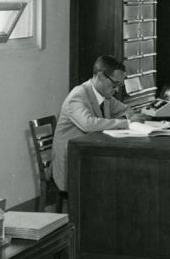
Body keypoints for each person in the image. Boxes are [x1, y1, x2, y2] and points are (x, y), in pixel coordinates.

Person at [51, 55, 144, 194]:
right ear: (100, 76)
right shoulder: (78, 96)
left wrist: (130, 118)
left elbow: (126, 110)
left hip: (91, 156)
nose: (117, 90)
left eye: (119, 85)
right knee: (118, 179)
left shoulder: (105, 96)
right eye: (115, 84)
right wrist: (127, 123)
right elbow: (88, 124)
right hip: (72, 163)